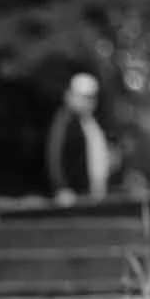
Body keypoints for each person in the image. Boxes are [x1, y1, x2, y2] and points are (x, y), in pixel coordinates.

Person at [46, 71, 110, 203]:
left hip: (91, 195)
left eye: (91, 98)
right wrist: (62, 187)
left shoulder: (90, 122)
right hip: (73, 197)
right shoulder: (65, 121)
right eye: (83, 97)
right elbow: (55, 156)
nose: (88, 102)